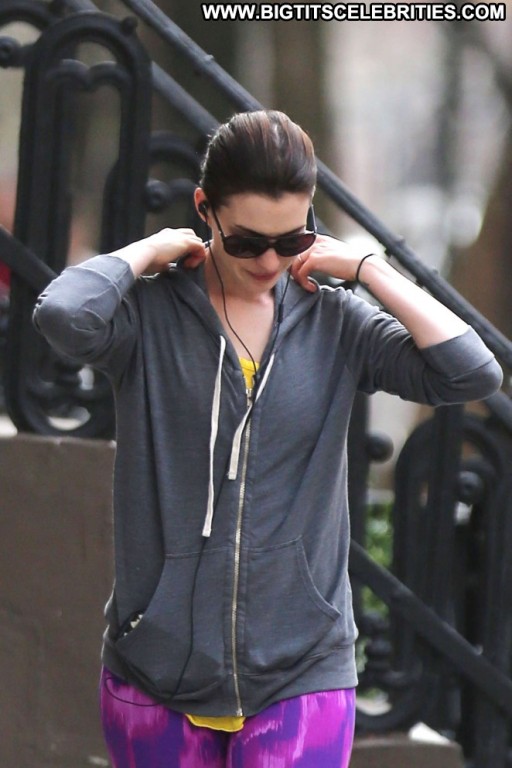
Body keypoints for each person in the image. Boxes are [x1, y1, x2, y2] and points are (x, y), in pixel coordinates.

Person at [33, 110, 502, 768]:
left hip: (301, 672)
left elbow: (472, 371)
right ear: (206, 209)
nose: (270, 262)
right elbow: (62, 315)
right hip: (155, 669)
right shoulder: (150, 317)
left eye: (292, 239)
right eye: (249, 241)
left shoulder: (337, 323)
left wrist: (370, 269)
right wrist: (150, 248)